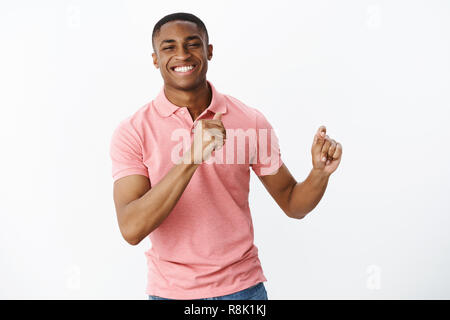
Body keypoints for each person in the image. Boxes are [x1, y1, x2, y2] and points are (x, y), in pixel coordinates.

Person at [109, 12, 343, 300]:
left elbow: (293, 203)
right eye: (169, 47)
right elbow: (131, 229)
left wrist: (319, 173)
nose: (182, 54)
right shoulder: (133, 131)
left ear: (209, 51)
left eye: (193, 44)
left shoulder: (250, 120)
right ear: (156, 59)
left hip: (243, 291)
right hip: (171, 294)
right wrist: (192, 158)